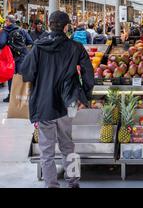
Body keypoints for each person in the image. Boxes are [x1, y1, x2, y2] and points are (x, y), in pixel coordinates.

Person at [21, 11, 94, 188]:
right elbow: (89, 73)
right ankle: (73, 182)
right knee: (68, 145)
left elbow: (26, 73)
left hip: (44, 103)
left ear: (49, 24)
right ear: (66, 27)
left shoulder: (38, 47)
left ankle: (51, 185)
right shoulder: (76, 47)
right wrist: (84, 96)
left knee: (46, 150)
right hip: (68, 103)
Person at [0, 15, 33, 103]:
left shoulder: (5, 31)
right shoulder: (22, 30)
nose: (5, 22)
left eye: (6, 21)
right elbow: (30, 41)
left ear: (8, 21)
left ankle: (11, 96)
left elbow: (1, 43)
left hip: (11, 57)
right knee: (21, 75)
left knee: (11, 76)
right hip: (23, 56)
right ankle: (22, 95)